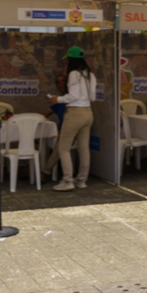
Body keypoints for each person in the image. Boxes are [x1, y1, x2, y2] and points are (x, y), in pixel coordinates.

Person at [50, 47, 97, 191]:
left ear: (71, 60)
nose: (66, 63)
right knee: (84, 148)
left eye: (68, 60)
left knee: (64, 148)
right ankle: (81, 180)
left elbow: (74, 96)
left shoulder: (73, 74)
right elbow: (93, 97)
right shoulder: (91, 75)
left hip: (75, 113)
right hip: (88, 113)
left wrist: (58, 99)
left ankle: (68, 181)